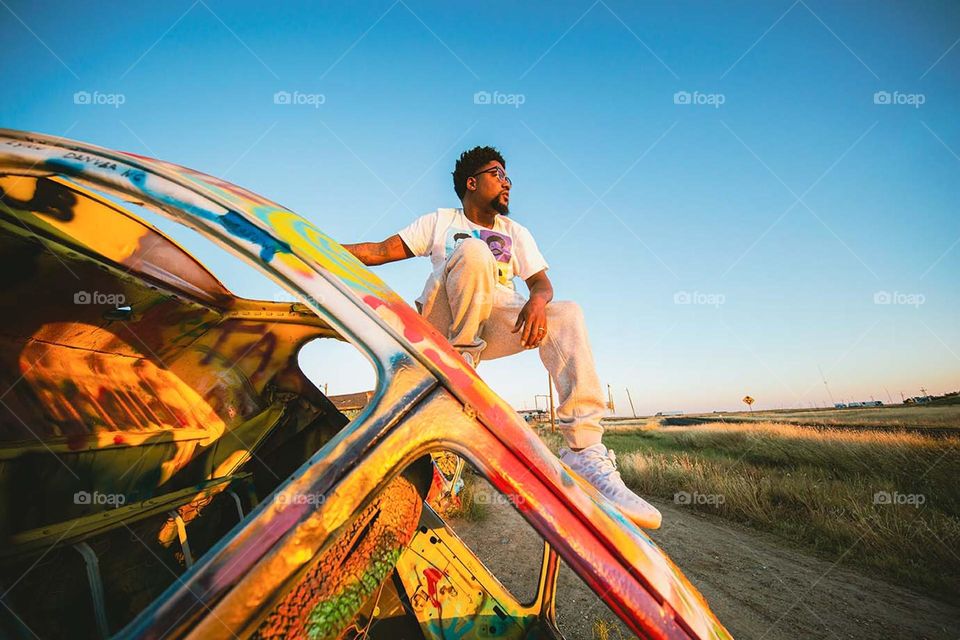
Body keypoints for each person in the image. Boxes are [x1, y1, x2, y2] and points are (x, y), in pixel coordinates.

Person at [343, 146, 661, 529]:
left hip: (494, 321)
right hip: (444, 323)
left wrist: (539, 302)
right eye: (498, 174)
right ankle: (459, 367)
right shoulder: (441, 221)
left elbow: (541, 282)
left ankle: (584, 450)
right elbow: (380, 250)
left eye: (508, 176)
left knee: (568, 314)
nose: (507, 182)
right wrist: (312, 246)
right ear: (472, 183)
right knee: (474, 251)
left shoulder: (516, 232)